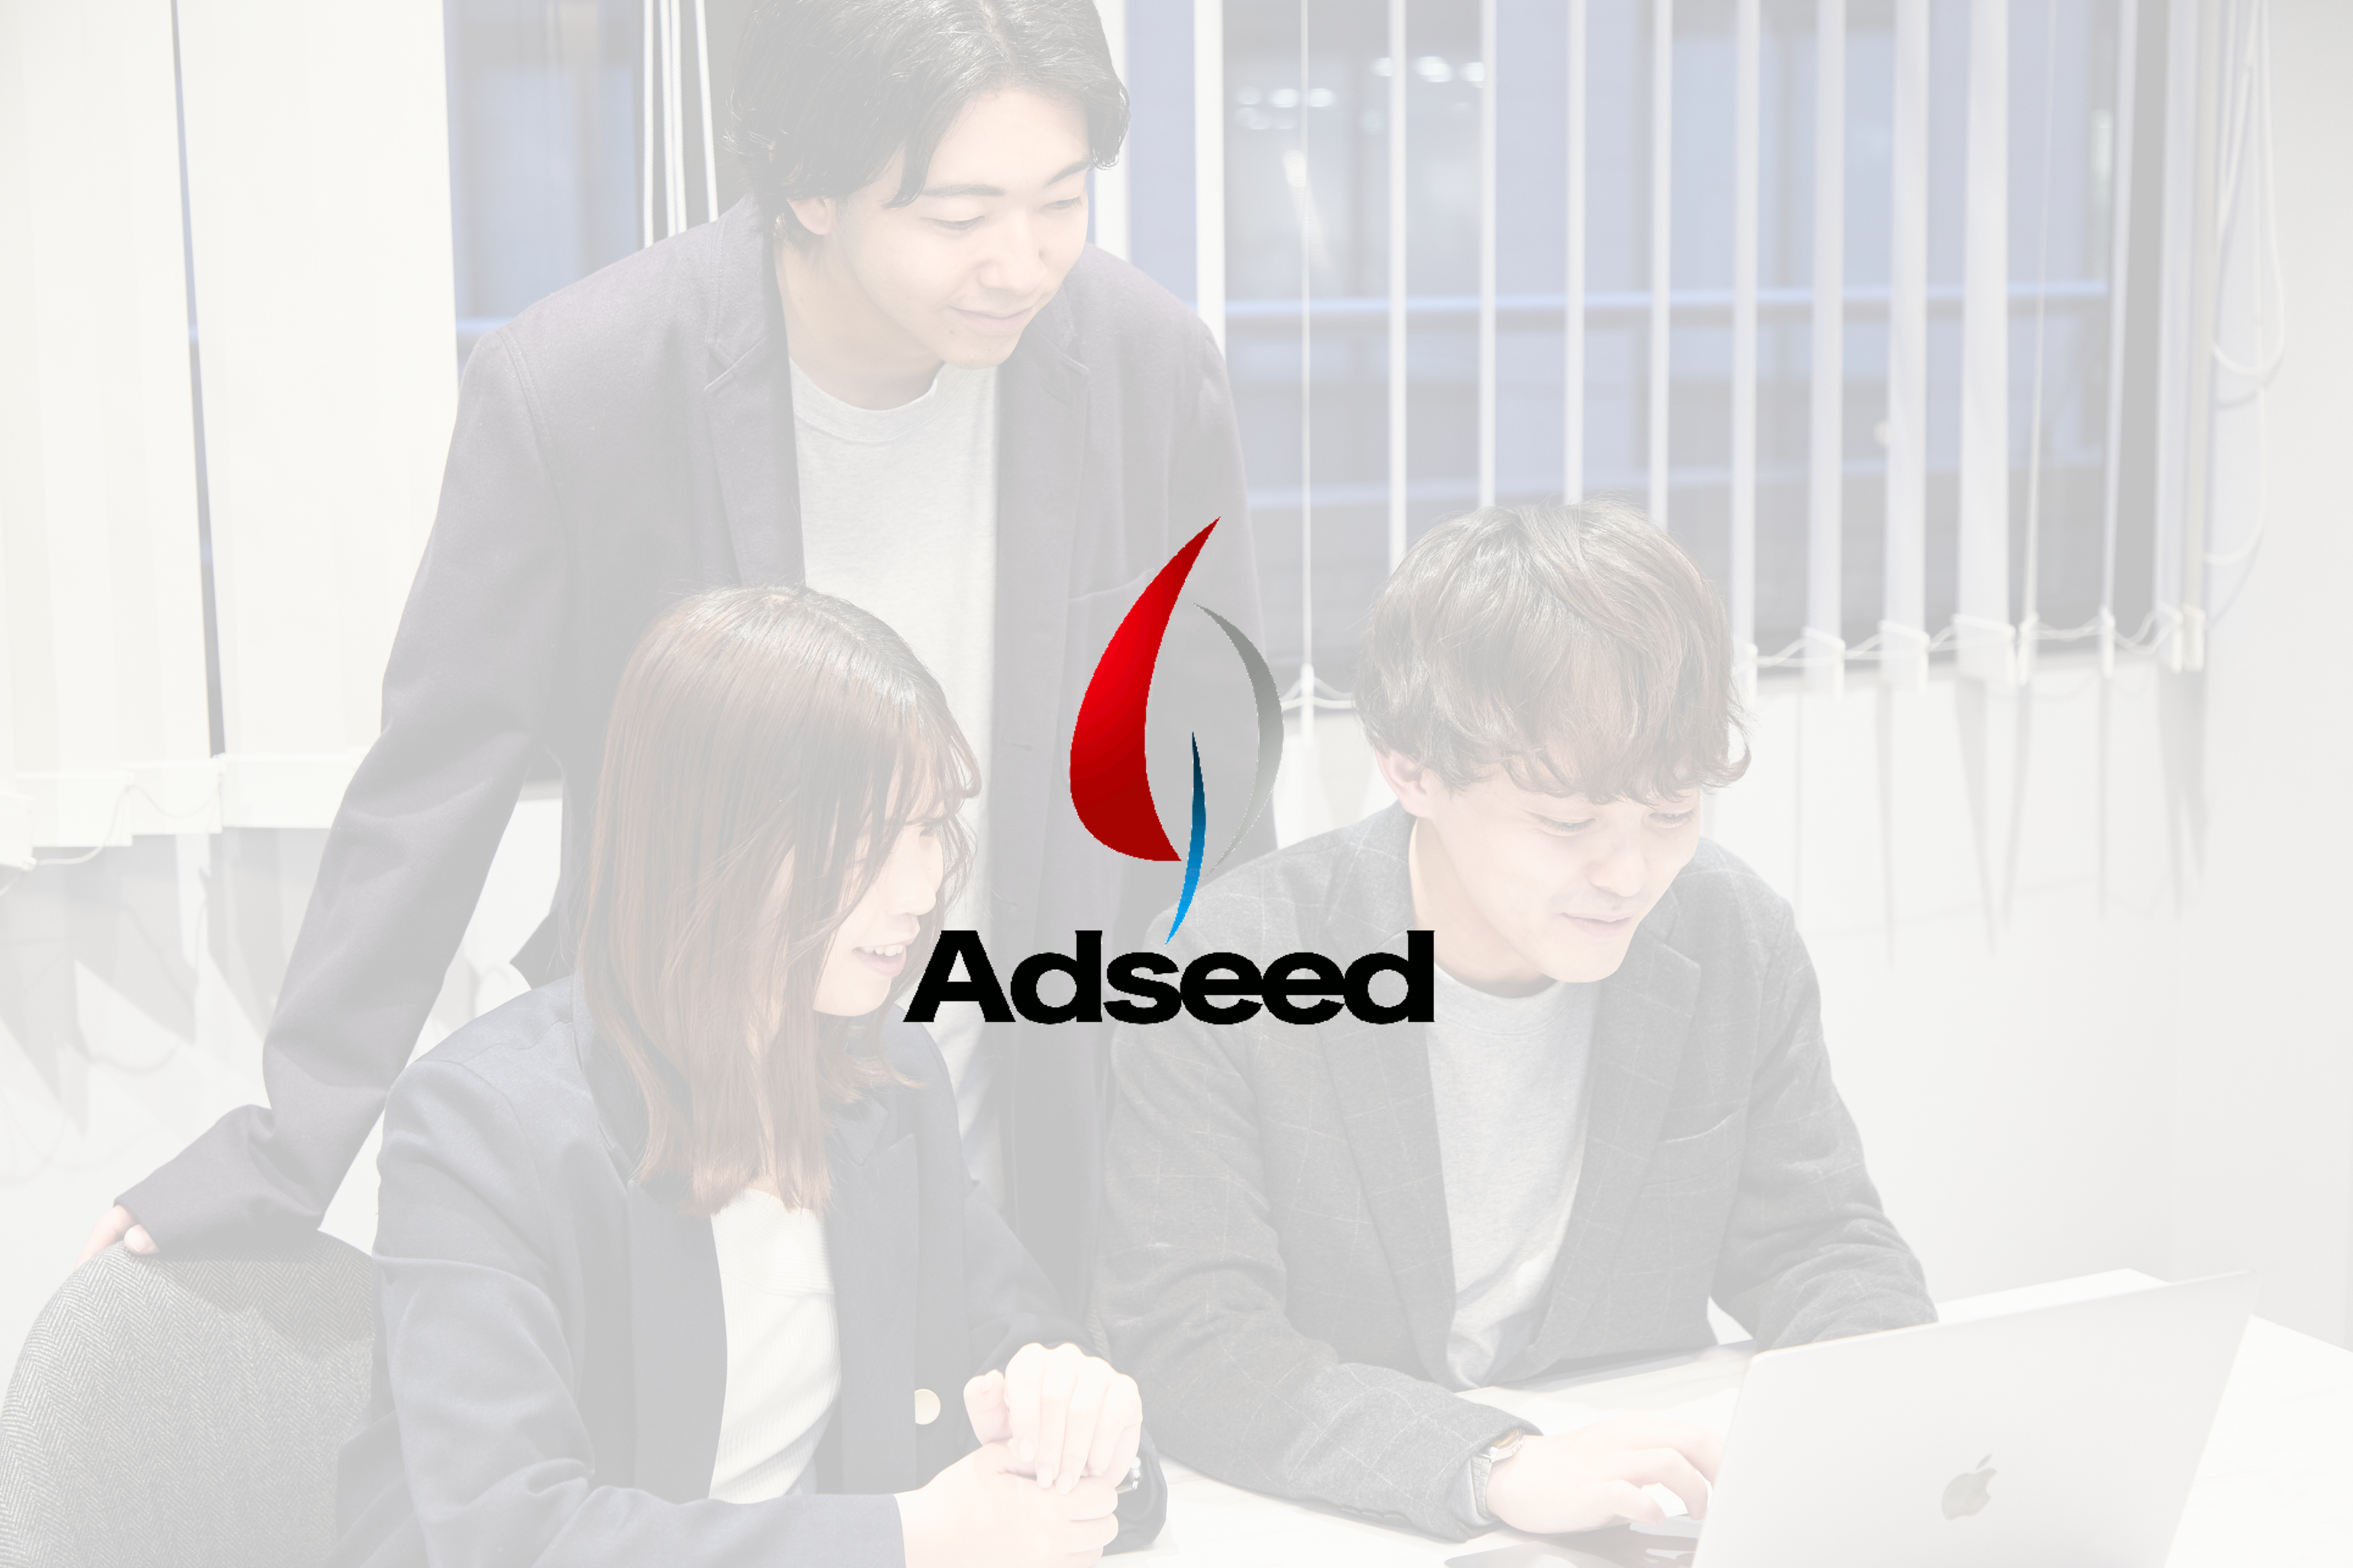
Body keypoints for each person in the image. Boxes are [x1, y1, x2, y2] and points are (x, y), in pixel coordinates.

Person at [84, 0, 1264, 1303]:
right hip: (692, 1129)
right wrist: (286, 1146)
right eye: (958, 216)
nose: (1024, 263)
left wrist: (1245, 1143)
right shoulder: (583, 387)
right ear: (811, 188)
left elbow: (1214, 772)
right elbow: (432, 789)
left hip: (1032, 1113)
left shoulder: (1144, 366)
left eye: (1062, 199)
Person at [1090, 500, 1935, 1541]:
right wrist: (1491, 1462)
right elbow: (1194, 1343)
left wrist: (1882, 1416)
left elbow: (1818, 1244)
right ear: (1411, 767)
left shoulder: (1728, 935)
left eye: (1670, 811)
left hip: (1640, 1519)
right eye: (1566, 822)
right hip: (1344, 1525)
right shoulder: (1227, 968)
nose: (1628, 873)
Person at [333, 587, 1164, 1567]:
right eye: (866, 841)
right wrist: (913, 1533)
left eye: (929, 829)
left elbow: (1031, 1351)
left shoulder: (886, 1082)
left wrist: (1081, 1418)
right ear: (719, 844)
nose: (918, 890)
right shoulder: (480, 1125)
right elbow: (517, 1540)